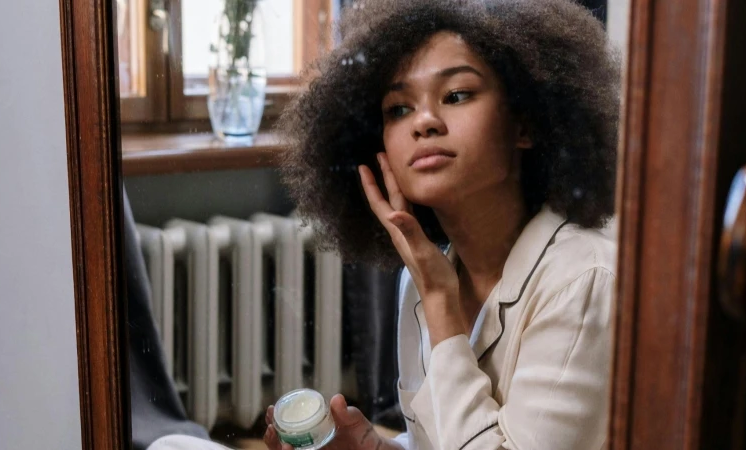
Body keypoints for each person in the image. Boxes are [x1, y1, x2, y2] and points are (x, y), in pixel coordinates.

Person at [266, 0, 620, 448]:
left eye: (456, 95)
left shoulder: (584, 283)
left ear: (524, 125)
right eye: (398, 109)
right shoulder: (424, 278)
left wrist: (441, 307)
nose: (425, 122)